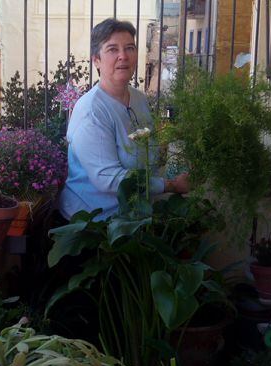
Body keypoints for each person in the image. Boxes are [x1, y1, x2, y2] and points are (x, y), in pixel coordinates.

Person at [59, 18, 190, 221]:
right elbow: (108, 179)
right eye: (112, 49)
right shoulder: (91, 111)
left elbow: (148, 152)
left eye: (130, 48)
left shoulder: (138, 99)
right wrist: (169, 185)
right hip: (93, 226)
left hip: (133, 218)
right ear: (96, 60)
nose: (123, 56)